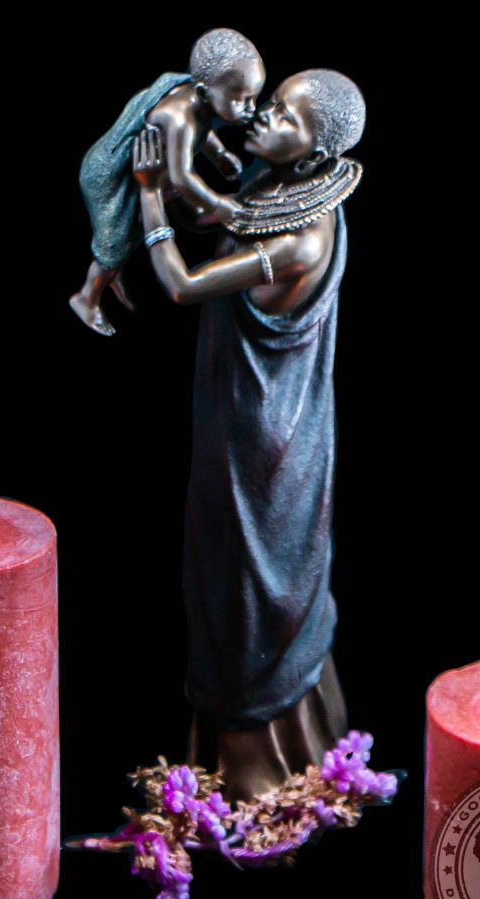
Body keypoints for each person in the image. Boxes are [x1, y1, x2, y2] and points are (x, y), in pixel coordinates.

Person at [131, 69, 366, 802]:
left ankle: (255, 767)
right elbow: (223, 212)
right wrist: (183, 163)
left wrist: (148, 194)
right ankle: (277, 744)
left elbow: (181, 284)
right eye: (274, 101)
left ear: (318, 152)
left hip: (264, 438)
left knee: (251, 584)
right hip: (233, 408)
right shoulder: (278, 183)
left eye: (287, 117)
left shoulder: (303, 237)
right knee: (220, 575)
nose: (264, 115)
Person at [69, 28, 265, 337]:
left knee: (141, 227)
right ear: (202, 92)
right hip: (108, 177)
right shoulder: (178, 117)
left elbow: (202, 129)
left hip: (145, 172)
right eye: (242, 100)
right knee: (114, 243)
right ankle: (87, 298)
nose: (251, 109)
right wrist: (217, 204)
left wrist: (219, 155)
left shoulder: (197, 99)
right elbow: (182, 177)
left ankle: (113, 273)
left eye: (253, 98)